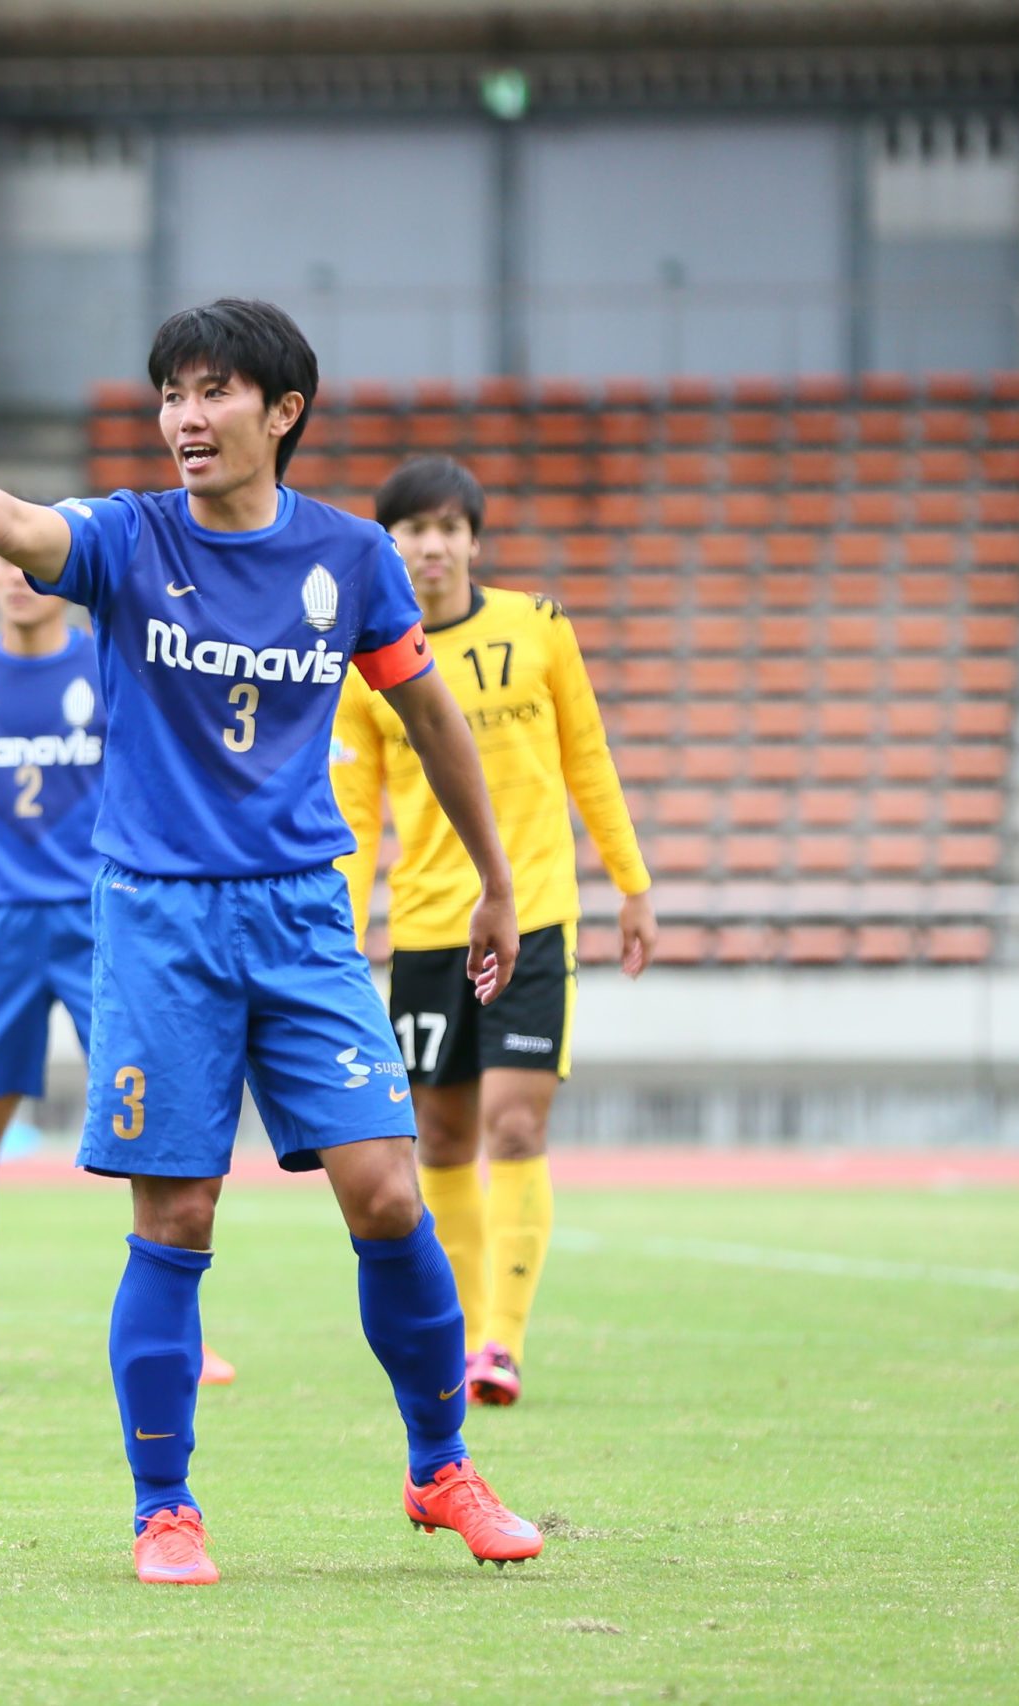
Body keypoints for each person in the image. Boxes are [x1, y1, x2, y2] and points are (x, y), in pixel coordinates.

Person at [0, 298, 540, 1586]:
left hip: (300, 913)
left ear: (281, 411)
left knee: (386, 1190)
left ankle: (441, 1466)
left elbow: (432, 723)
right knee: (177, 1210)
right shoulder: (131, 538)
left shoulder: (351, 558)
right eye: (171, 393)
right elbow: (37, 526)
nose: (183, 416)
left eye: (211, 391)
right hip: (157, 917)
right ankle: (164, 1507)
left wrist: (496, 883)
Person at [0, 558, 235, 1388]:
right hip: (0, 930)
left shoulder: (116, 659)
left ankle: (181, 1338)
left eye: (34, 564)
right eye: (5, 562)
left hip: (107, 921)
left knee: (152, 1133)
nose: (20, 577)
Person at [333, 455, 658, 1408]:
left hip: (537, 918)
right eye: (412, 528)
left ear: (474, 540)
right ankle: (470, 1331)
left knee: (515, 1124)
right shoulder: (363, 664)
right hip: (428, 929)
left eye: (448, 527)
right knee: (438, 1137)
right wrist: (341, 932)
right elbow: (355, 818)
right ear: (389, 544)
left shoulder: (538, 626)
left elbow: (587, 756)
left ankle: (502, 1343)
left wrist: (632, 884)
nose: (431, 545)